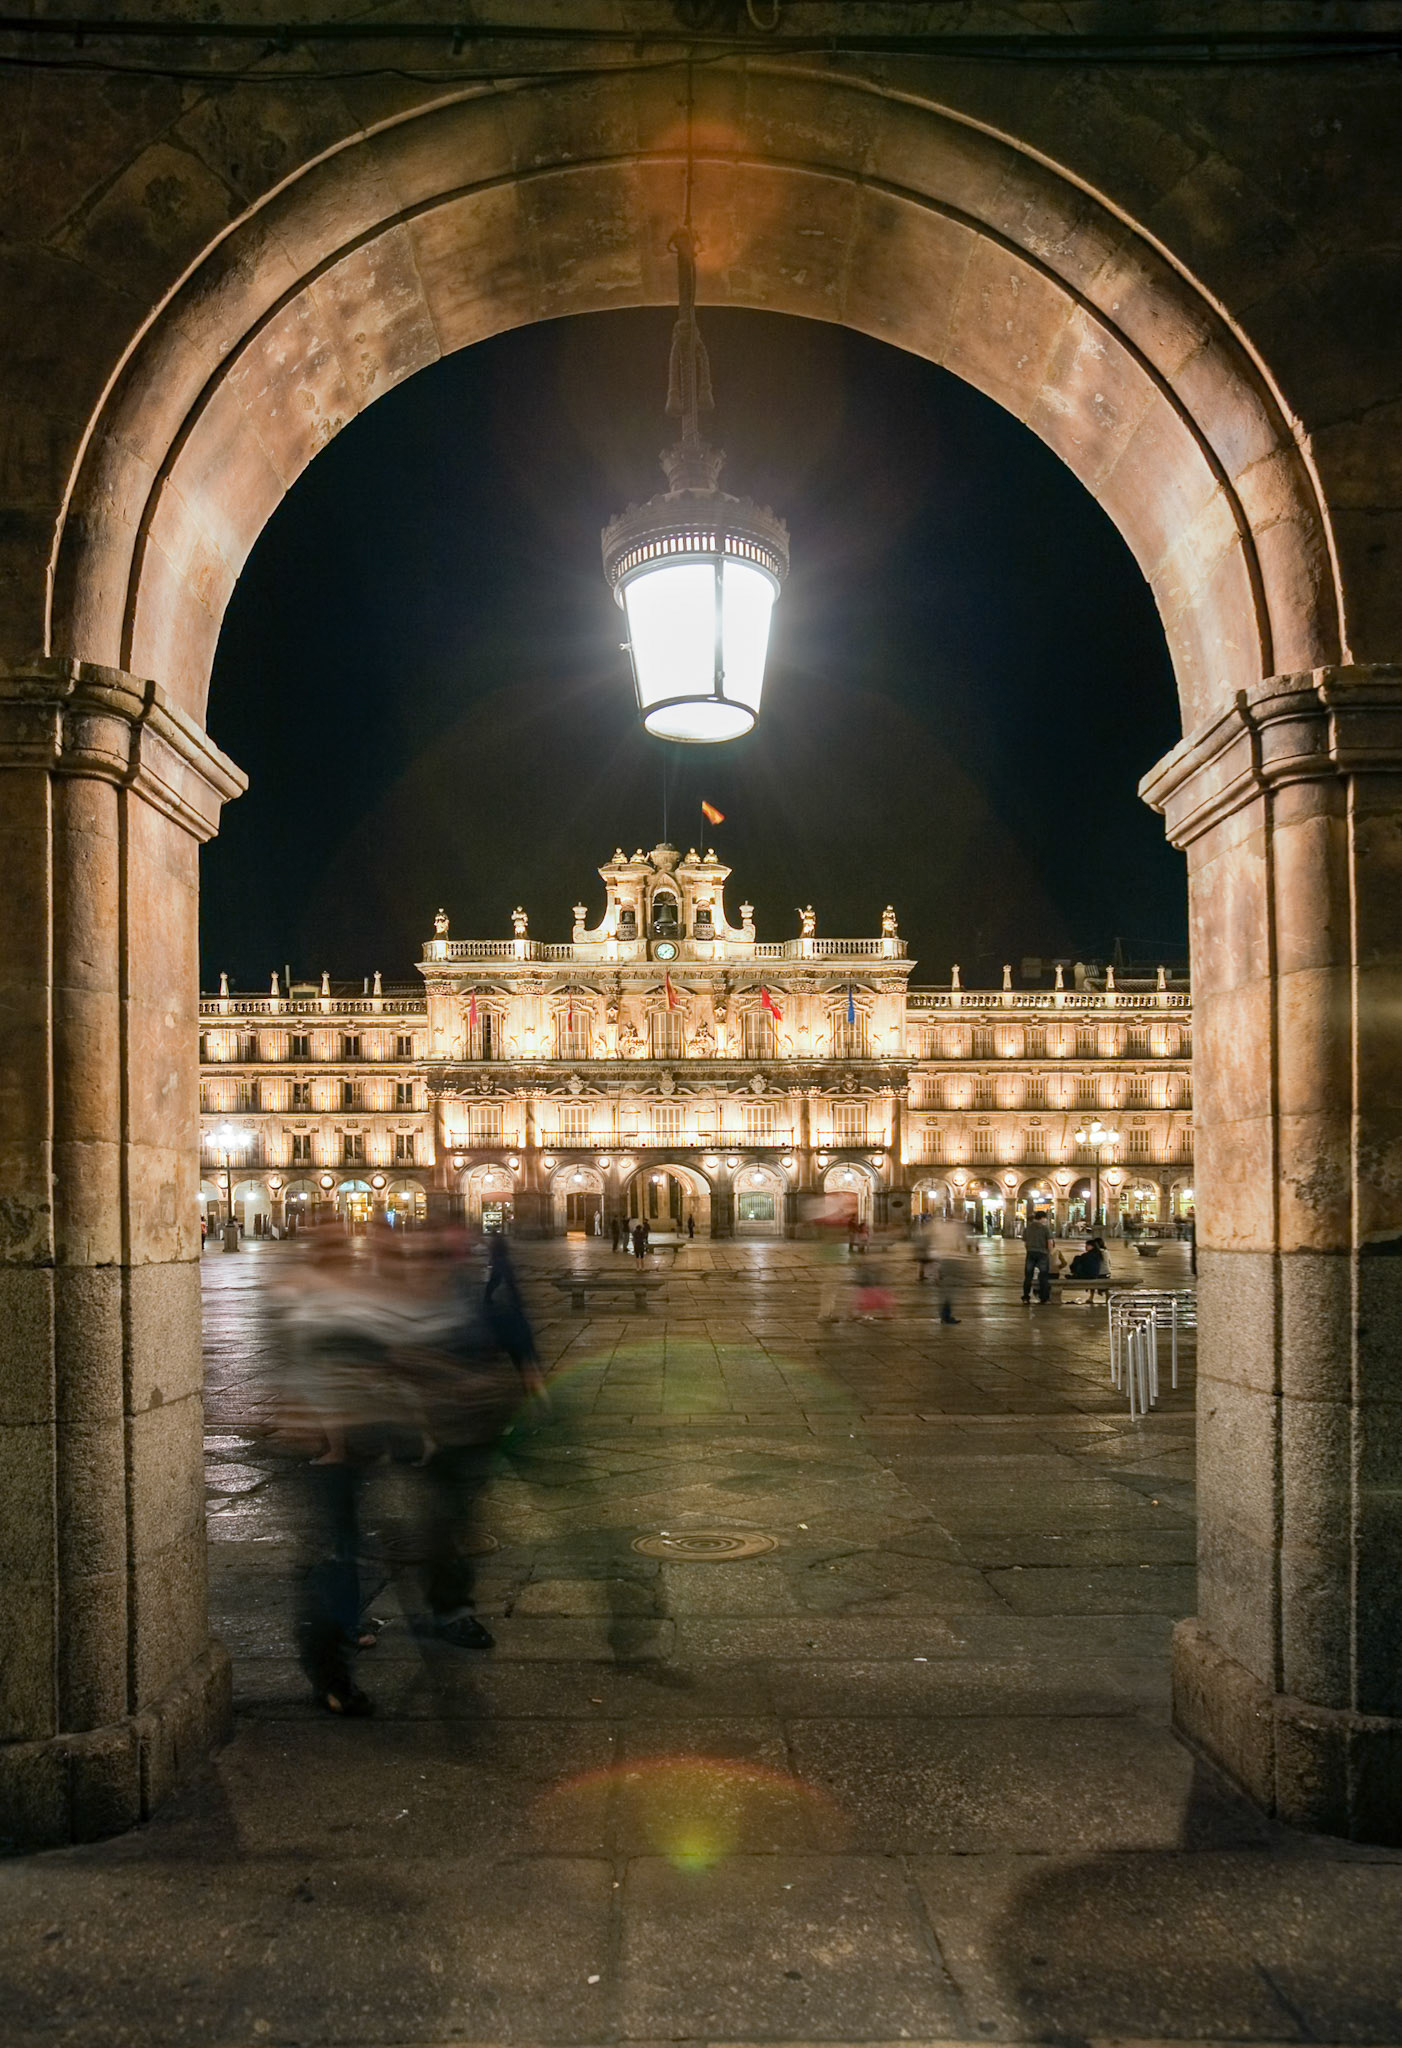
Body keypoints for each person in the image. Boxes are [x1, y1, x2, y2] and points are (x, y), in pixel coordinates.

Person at [930, 1212, 969, 1324]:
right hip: (953, 1260)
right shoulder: (958, 1228)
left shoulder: (941, 1228)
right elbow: (962, 1245)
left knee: (945, 1289)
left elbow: (935, 1243)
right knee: (949, 1289)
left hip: (942, 1259)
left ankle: (944, 1314)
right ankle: (946, 1315)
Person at [1021, 1210, 1055, 1303]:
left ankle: (1026, 1297)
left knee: (1028, 1276)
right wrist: (1050, 1253)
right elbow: (1050, 1242)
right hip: (1042, 1253)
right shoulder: (1045, 1228)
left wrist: (1029, 1249)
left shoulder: (1028, 1228)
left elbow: (1025, 1242)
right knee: (1043, 1275)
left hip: (1031, 1252)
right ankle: (1044, 1298)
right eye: (1045, 1219)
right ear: (1042, 1218)